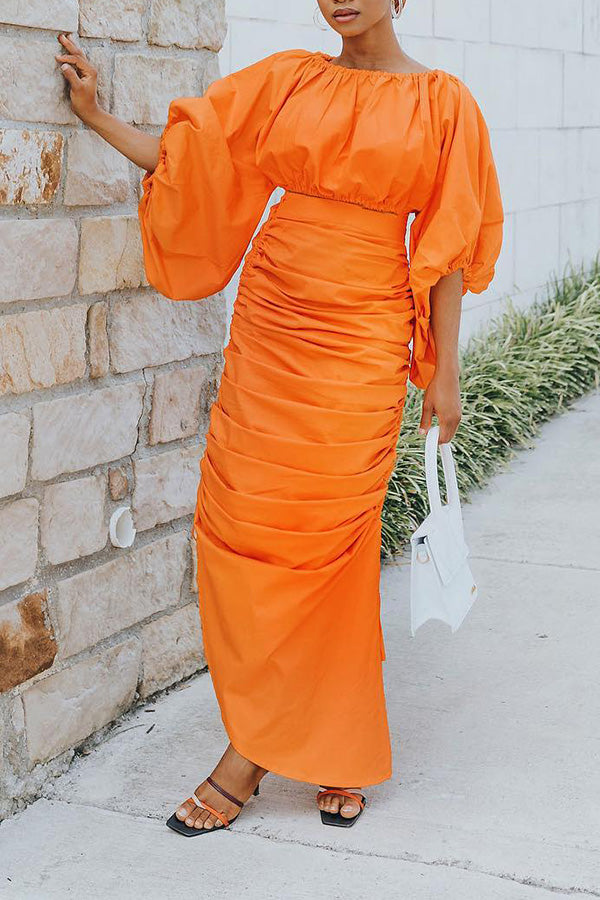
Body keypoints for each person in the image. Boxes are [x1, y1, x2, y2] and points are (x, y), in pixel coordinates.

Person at [57, 0, 503, 833]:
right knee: (241, 530)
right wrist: (96, 117)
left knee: (329, 545)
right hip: (273, 326)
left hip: (362, 339)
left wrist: (446, 372)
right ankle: (322, 744)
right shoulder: (289, 82)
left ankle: (254, 756)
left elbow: (449, 247)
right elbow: (190, 156)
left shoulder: (445, 103)